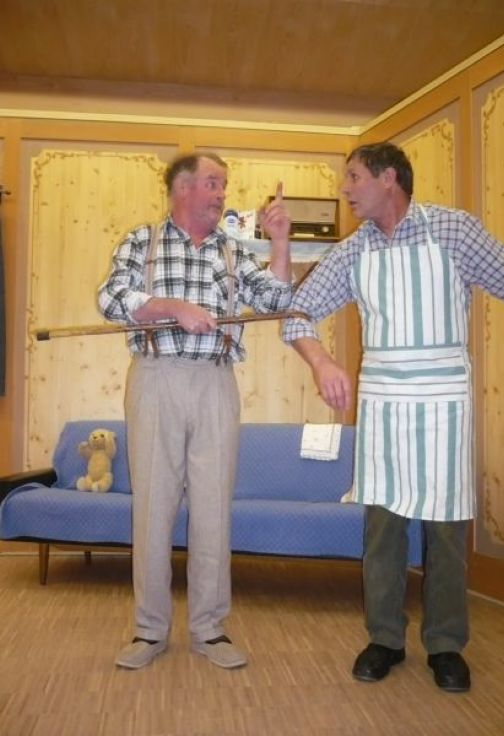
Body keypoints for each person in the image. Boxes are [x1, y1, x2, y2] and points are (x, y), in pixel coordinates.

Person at [282, 142, 504, 692]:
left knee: (446, 531)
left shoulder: (453, 231)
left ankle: (446, 645)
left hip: (444, 408)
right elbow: (296, 314)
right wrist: (322, 360)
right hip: (384, 408)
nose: (345, 188)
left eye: (353, 177)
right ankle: (384, 638)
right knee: (382, 531)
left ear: (388, 178)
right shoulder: (353, 251)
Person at [98, 152, 292, 670]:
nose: (222, 193)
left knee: (213, 509)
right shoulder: (142, 241)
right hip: (156, 378)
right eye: (213, 183)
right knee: (153, 508)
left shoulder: (232, 249)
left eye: (223, 184)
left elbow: (275, 301)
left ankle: (210, 630)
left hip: (216, 383)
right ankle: (149, 631)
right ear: (183, 188)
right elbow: (111, 298)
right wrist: (171, 307)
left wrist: (279, 242)